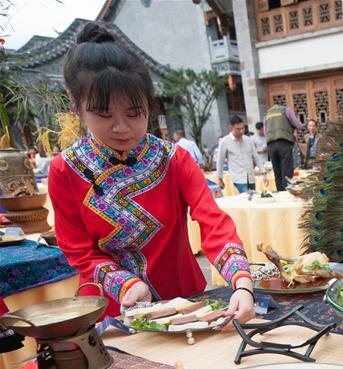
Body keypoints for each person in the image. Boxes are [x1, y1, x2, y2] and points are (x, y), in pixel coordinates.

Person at [48, 22, 254, 322]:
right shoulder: (65, 170)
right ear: (75, 104)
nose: (121, 127)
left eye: (134, 113)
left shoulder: (174, 160)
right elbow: (78, 251)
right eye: (104, 114)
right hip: (115, 312)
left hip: (187, 304)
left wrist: (242, 283)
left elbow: (213, 222)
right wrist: (125, 283)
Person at [216, 115, 262, 194]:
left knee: (253, 198)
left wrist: (263, 171)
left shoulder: (248, 140)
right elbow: (220, 161)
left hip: (250, 176)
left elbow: (256, 156)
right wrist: (220, 179)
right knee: (247, 197)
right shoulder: (225, 141)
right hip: (238, 177)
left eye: (243, 128)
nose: (241, 131)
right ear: (231, 127)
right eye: (238, 129)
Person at [265, 103, 302, 191]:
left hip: (271, 145)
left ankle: (280, 193)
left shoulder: (267, 114)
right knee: (286, 172)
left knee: (277, 173)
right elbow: (299, 125)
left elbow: (265, 130)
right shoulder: (287, 110)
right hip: (284, 143)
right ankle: (287, 194)